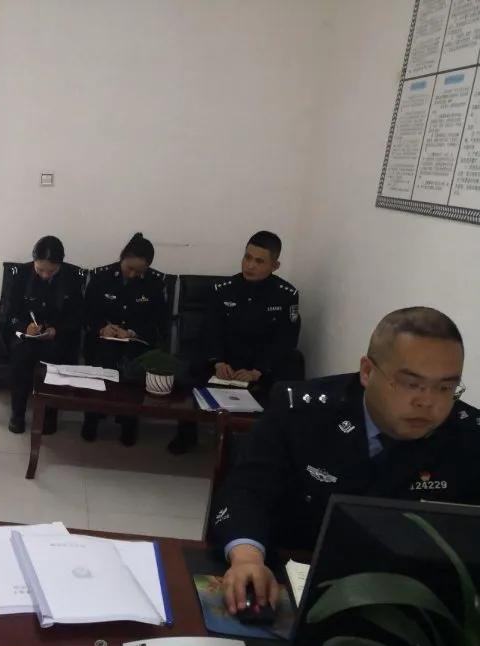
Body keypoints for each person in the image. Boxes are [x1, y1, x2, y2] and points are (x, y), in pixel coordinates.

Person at [213, 307, 480, 615]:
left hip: (417, 604)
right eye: (410, 384)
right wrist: (247, 558)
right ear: (367, 372)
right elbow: (247, 490)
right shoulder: (299, 412)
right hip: (289, 585)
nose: (427, 401)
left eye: (445, 387)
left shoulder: (469, 436)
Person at [168, 230, 301, 454]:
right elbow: (210, 330)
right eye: (247, 257)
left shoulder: (286, 295)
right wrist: (218, 361)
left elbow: (285, 340)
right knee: (190, 367)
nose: (250, 265)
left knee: (290, 370)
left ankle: (270, 445)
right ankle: (186, 434)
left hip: (260, 364)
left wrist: (258, 370)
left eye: (259, 261)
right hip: (225, 359)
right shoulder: (223, 290)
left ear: (275, 265)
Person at [82, 232, 169, 445]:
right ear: (122, 257)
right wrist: (102, 328)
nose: (132, 274)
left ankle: (129, 421)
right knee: (103, 360)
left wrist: (132, 332)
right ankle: (92, 416)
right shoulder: (101, 277)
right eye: (129, 268)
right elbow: (87, 313)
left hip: (135, 343)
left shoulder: (155, 284)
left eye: (139, 272)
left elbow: (159, 322)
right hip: (102, 341)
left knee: (133, 366)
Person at [4, 235, 84, 434]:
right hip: (27, 337)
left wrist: (57, 330)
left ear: (60, 264)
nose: (46, 275)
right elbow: (9, 312)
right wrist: (25, 326)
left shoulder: (73, 278)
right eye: (40, 270)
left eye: (52, 270)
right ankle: (17, 414)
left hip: (57, 337)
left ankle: (49, 414)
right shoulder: (21, 274)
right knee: (21, 355)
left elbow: (77, 316)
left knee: (55, 358)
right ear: (34, 261)